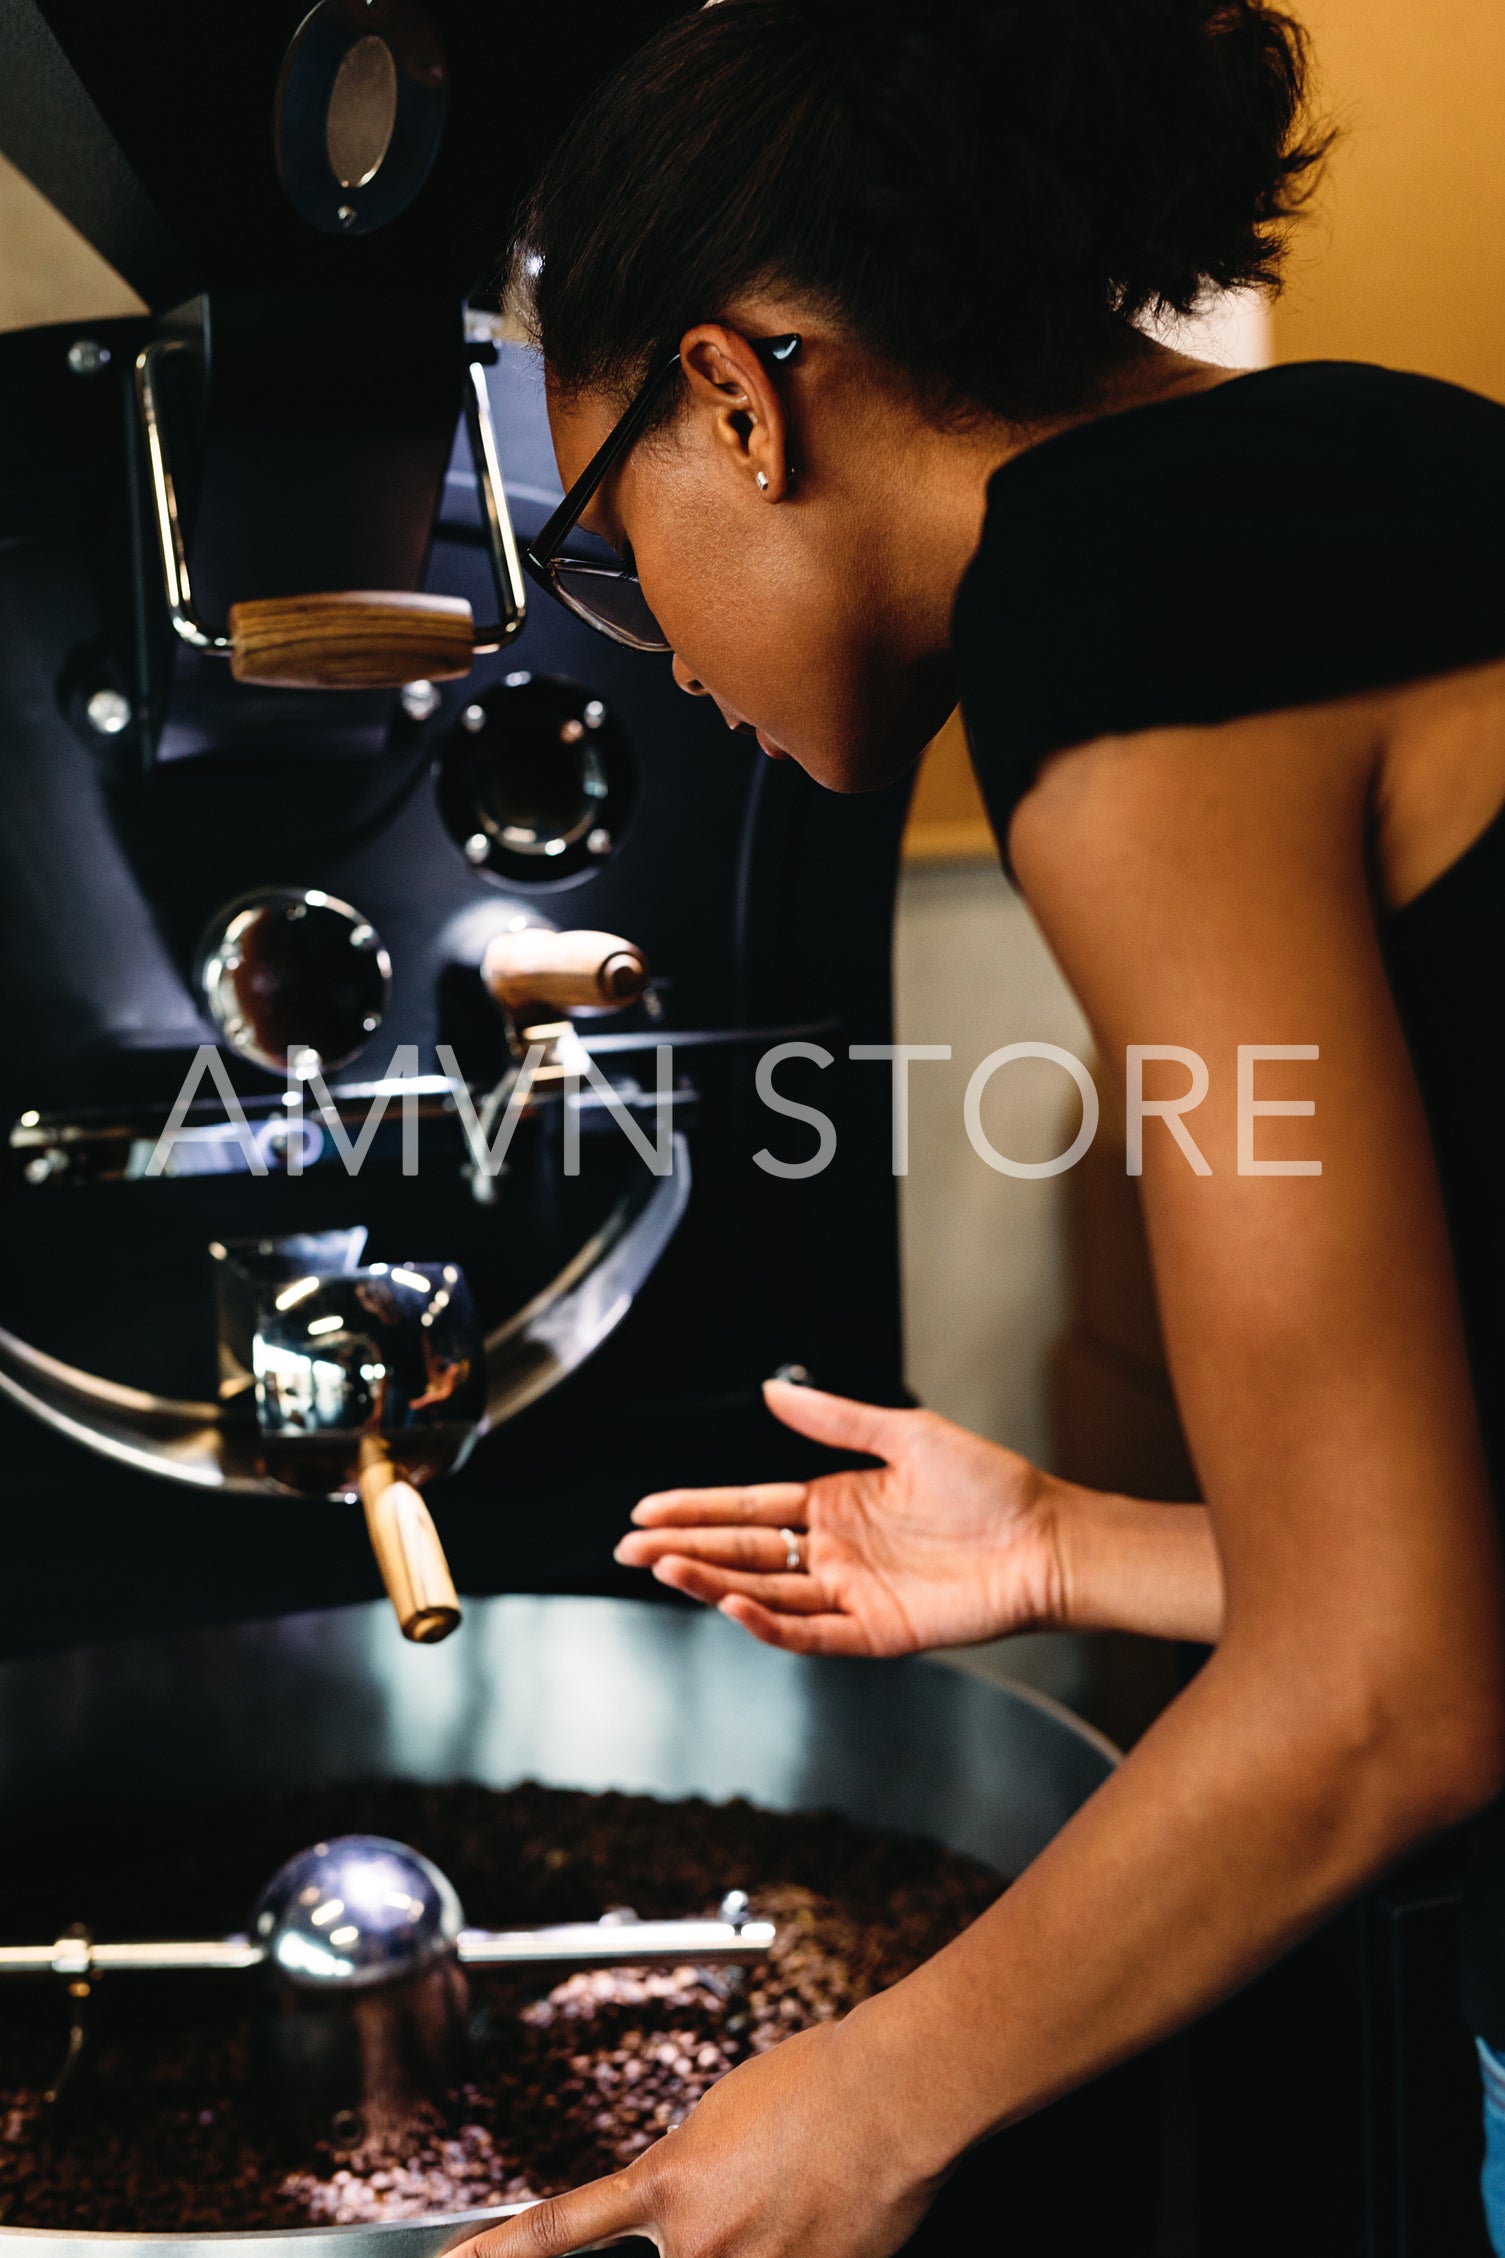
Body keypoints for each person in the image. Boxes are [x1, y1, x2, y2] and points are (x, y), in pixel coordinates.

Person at [457, 1, 1505, 2249]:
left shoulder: (1113, 611)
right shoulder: (1383, 464)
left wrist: (865, 2099)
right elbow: (1446, 1580)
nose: (651, 656)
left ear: (737, 399)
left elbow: (1393, 1694)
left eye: (609, 543)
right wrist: (1071, 1551)